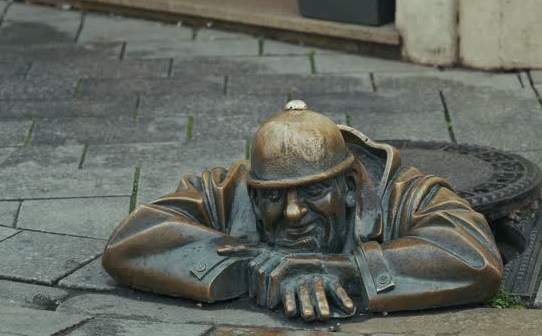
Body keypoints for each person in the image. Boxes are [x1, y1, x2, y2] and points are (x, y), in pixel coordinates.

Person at [102, 101, 503, 321]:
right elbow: (132, 239)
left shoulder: (403, 193)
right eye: (274, 197)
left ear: (348, 188)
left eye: (313, 193)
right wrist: (253, 266)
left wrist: (344, 271)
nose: (293, 212)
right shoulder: (231, 188)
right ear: (255, 192)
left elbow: (474, 256)